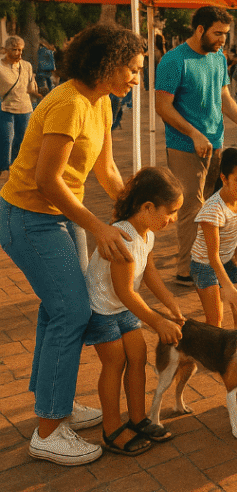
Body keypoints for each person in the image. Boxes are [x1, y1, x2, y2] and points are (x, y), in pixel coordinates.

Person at [0, 23, 143, 465]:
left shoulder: (98, 103)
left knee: (57, 309)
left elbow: (107, 170)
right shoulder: (67, 104)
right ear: (109, 66)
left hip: (62, 218)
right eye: (133, 70)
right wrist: (100, 227)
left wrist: (136, 210)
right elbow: (46, 181)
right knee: (73, 312)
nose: (137, 78)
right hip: (29, 218)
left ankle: (53, 405)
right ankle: (47, 430)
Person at [156, 6, 237, 286]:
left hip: (216, 144)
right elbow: (163, 106)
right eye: (218, 33)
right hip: (184, 145)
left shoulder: (217, 57)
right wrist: (193, 134)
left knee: (220, 203)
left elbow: (224, 95)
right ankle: (186, 271)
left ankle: (215, 259)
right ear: (200, 29)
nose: (222, 40)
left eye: (225, 34)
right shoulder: (173, 60)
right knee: (192, 206)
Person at [83, 167, 185, 455]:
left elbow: (148, 270)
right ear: (148, 207)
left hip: (124, 305)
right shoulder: (124, 237)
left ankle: (138, 418)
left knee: (138, 357)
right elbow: (124, 290)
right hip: (103, 308)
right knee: (115, 362)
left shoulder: (146, 232)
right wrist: (157, 321)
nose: (174, 218)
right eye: (172, 211)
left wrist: (170, 302)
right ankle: (112, 428)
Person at [191, 147, 237, 328]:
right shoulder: (213, 210)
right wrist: (226, 286)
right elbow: (213, 256)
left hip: (231, 259)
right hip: (205, 264)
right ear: (224, 179)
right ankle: (213, 355)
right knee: (215, 320)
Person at [0, 36, 41, 176]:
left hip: (25, 109)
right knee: (6, 140)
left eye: (20, 50)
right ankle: (4, 170)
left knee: (23, 141)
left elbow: (30, 89)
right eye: (15, 50)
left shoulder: (27, 66)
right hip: (6, 109)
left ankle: (16, 169)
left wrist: (42, 95)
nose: (19, 53)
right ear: (6, 50)